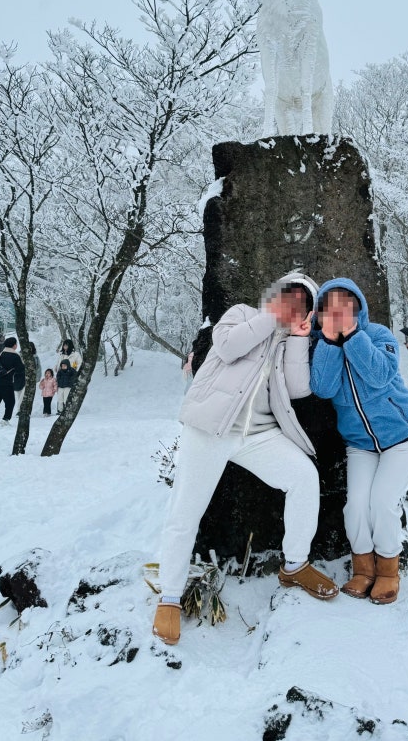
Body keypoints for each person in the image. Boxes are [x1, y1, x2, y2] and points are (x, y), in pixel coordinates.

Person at [153, 273, 339, 647]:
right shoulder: (240, 314)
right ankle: (170, 595)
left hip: (259, 435)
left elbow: (299, 388)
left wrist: (300, 339)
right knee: (185, 511)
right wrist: (272, 316)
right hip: (210, 429)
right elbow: (225, 346)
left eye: (302, 303)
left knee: (303, 476)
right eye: (289, 296)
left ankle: (294, 565)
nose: (293, 305)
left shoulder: (291, 340)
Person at [310, 278, 408, 606]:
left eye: (346, 306)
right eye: (330, 307)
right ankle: (363, 568)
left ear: (358, 308)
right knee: (356, 505)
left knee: (383, 502)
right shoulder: (322, 345)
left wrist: (353, 338)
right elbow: (323, 388)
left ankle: (388, 569)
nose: (338, 313)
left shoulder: (377, 336)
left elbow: (379, 376)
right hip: (361, 443)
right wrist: (332, 344)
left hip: (403, 436)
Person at [0, 337, 25, 424]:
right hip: (7, 382)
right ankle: (5, 419)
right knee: (10, 402)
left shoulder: (0, 353)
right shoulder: (16, 355)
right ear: (14, 345)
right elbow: (20, 370)